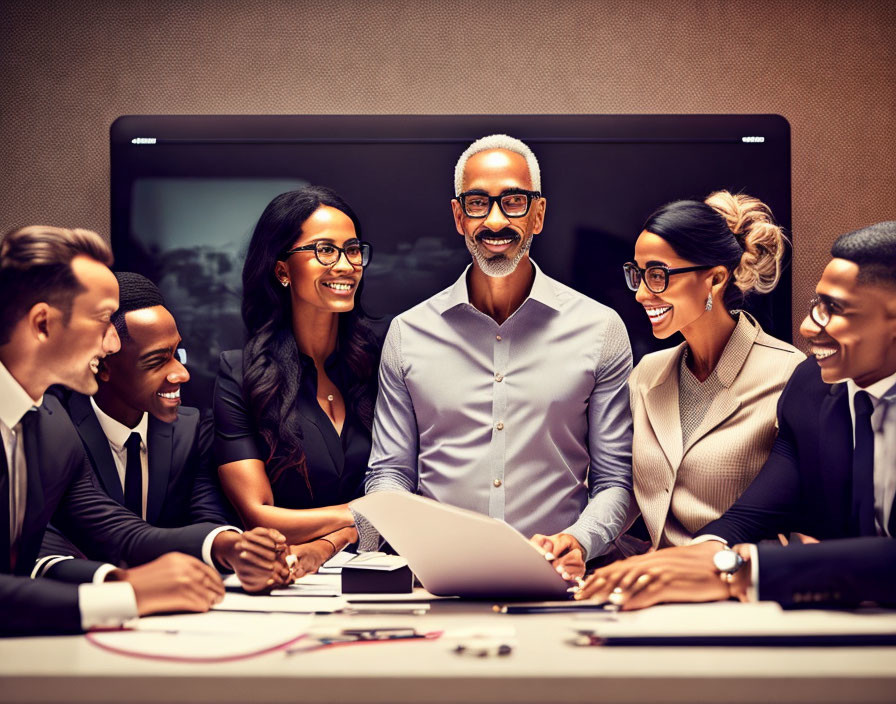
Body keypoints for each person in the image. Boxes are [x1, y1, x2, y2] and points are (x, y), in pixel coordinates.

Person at [574, 221, 896, 608]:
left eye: (836, 310)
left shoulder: (785, 370)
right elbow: (753, 513)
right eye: (817, 305)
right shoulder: (811, 387)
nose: (808, 327)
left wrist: (738, 570)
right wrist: (685, 559)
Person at [363, 134, 635, 577]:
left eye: (513, 201)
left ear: (538, 214)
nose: (494, 220)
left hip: (558, 582)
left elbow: (615, 482)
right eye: (477, 203)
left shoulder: (600, 330)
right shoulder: (407, 334)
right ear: (458, 216)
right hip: (435, 582)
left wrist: (580, 542)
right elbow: (390, 474)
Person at [0, 226, 289, 636]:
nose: (112, 345)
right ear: (43, 325)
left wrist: (225, 545)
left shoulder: (50, 427)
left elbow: (119, 531)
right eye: (103, 321)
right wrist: (129, 595)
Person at [38, 272, 258, 582]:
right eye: (156, 361)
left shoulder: (192, 428)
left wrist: (233, 546)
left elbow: (202, 519)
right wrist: (130, 585)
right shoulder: (55, 428)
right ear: (102, 365)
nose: (181, 373)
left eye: (176, 353)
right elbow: (49, 545)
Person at [213, 186, 382, 574]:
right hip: (284, 580)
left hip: (385, 575)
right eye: (324, 250)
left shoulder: (379, 366)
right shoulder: (239, 375)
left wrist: (332, 540)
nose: (344, 265)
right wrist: (369, 515)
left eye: (353, 249)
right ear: (282, 270)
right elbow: (261, 518)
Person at [622, 192, 803, 549]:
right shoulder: (645, 375)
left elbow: (804, 516)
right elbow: (628, 495)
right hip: (655, 585)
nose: (642, 293)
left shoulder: (790, 375)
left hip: (739, 588)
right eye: (638, 274)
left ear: (717, 279)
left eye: (657, 275)